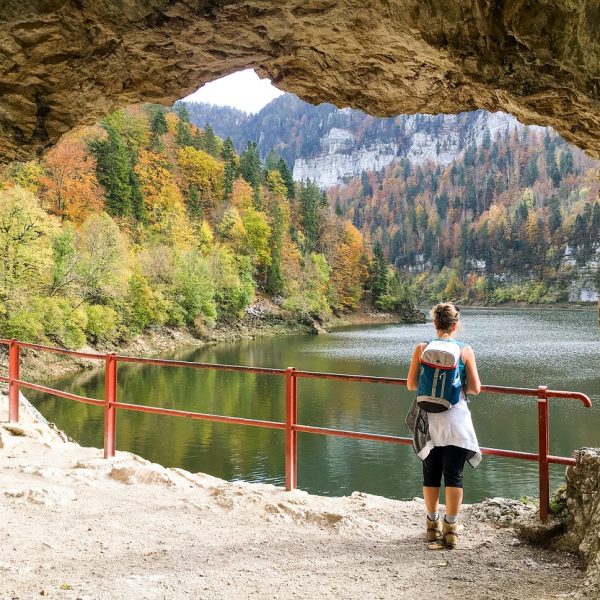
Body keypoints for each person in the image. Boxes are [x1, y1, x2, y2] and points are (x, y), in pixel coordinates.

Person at [405, 303, 482, 549]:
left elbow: (411, 385)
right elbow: (475, 389)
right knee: (454, 475)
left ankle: (431, 526)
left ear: (435, 324)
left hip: (430, 421)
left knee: (431, 474)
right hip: (456, 420)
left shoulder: (421, 348)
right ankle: (451, 530)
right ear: (455, 325)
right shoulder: (465, 350)